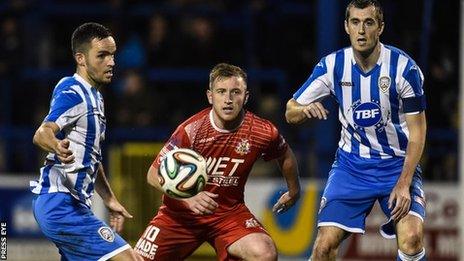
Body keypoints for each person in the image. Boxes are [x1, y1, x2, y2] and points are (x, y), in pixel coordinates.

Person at [285, 1, 427, 260]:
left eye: (369, 22)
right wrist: (304, 111)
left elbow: (418, 133)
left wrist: (405, 183)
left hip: (396, 166)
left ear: (380, 27)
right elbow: (290, 110)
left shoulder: (404, 69)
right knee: (323, 247)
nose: (361, 30)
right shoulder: (332, 66)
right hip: (351, 168)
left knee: (412, 239)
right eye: (355, 22)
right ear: (346, 27)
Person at [134, 63, 301, 261]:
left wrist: (294, 191)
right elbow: (153, 174)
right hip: (178, 216)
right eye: (221, 91)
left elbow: (284, 154)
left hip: (228, 215)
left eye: (235, 92)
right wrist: (190, 199)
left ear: (246, 97)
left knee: (265, 253)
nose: (228, 100)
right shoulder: (190, 130)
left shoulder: (262, 131)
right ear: (210, 96)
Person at [31, 22, 139, 261]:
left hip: (74, 205)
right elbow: (42, 132)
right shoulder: (73, 91)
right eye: (102, 55)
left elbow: (93, 156)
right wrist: (57, 146)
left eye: (112, 55)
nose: (111, 62)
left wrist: (110, 199)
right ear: (80, 58)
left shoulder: (96, 98)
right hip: (59, 204)